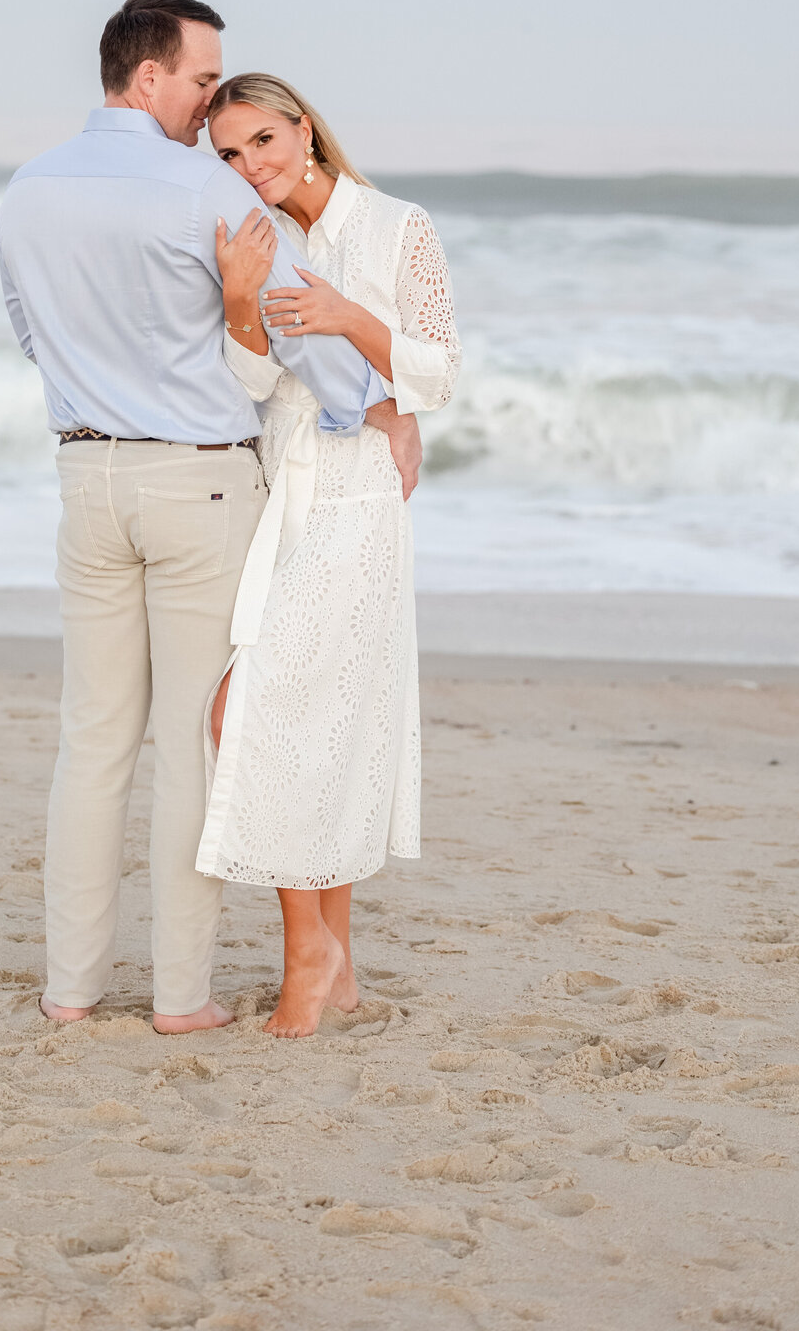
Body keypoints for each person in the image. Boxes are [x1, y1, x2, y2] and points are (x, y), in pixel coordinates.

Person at [0, 0, 393, 1034]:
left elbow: (30, 336)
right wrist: (375, 405)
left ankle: (70, 991)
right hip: (201, 486)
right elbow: (301, 327)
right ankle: (180, 999)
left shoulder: (27, 190)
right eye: (201, 81)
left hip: (87, 481)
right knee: (190, 743)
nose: (210, 101)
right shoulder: (207, 193)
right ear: (147, 80)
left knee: (92, 741)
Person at [195, 72, 461, 1038]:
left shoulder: (396, 227)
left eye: (262, 141)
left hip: (356, 495)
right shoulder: (254, 238)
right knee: (274, 709)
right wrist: (236, 299)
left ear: (303, 130)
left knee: (285, 710)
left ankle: (311, 952)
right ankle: (328, 956)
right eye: (227, 153)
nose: (249, 166)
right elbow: (252, 381)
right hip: (281, 485)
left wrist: (350, 317)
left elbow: (440, 365)